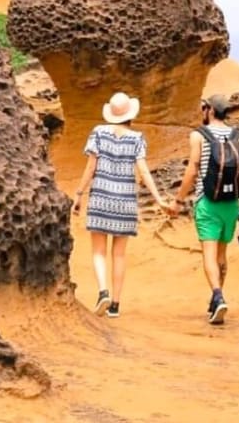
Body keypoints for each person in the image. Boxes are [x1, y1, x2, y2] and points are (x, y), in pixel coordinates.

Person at [72, 92, 168, 318]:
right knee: (119, 255)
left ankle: (103, 291)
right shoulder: (137, 138)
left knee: (98, 251)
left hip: (101, 198)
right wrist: (159, 199)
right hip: (125, 201)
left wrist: (78, 194)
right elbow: (143, 171)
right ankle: (115, 304)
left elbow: (90, 168)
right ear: (130, 115)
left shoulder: (98, 132)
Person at [169, 94, 239, 324]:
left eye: (204, 107)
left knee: (208, 253)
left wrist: (178, 200)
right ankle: (218, 298)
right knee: (222, 255)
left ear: (211, 111)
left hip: (207, 202)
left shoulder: (198, 136)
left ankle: (217, 295)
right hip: (230, 203)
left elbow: (193, 170)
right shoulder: (238, 137)